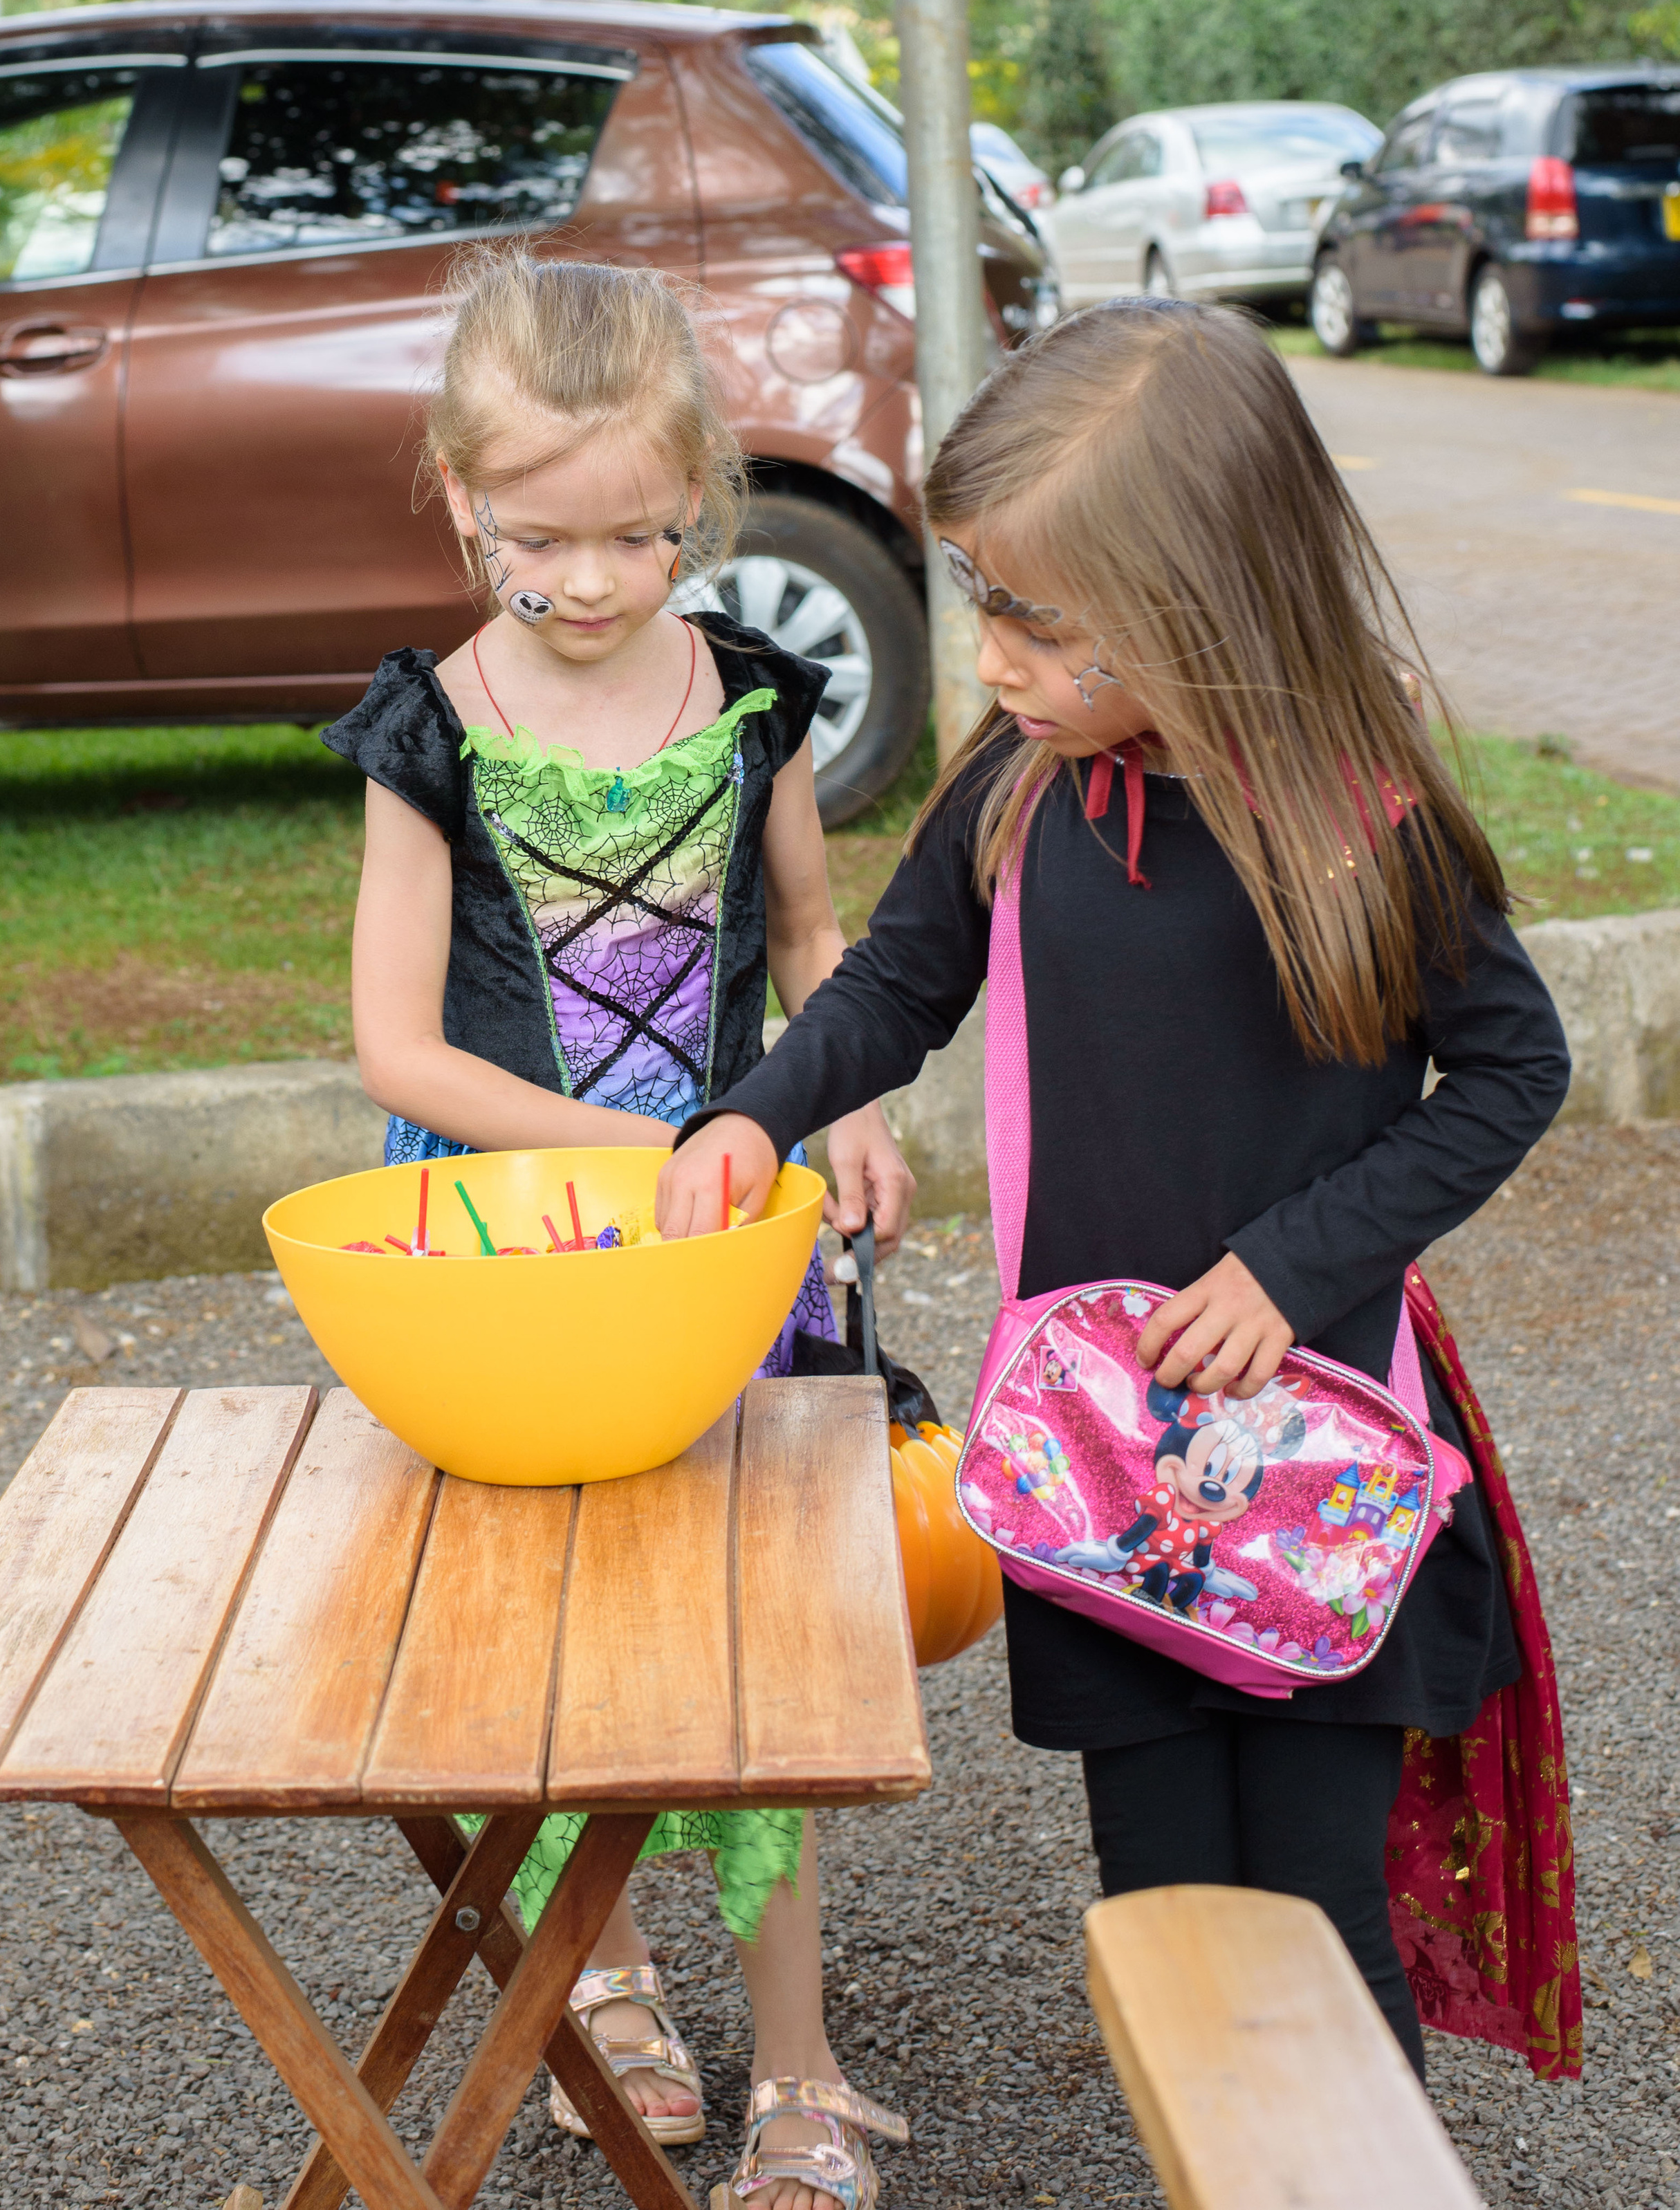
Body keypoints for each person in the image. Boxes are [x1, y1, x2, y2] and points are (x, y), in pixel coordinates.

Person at [658, 296, 1573, 2077]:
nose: (987, 651)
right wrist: (754, 1117)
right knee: (1159, 1933)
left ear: (1208, 600)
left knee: (1314, 1934)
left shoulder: (1358, 820)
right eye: (981, 594)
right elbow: (896, 987)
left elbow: (1513, 1073)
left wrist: (1292, 1265)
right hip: (1088, 1468)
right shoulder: (1019, 786)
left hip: (1312, 1453)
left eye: (1035, 616)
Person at [324, 248, 915, 2210]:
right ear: (458, 493)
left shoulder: (754, 697)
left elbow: (825, 940)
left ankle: (806, 2066)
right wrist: (625, 1135)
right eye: (541, 541)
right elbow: (393, 1036)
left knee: (762, 1636)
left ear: (703, 505)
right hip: (503, 1261)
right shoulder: (426, 735)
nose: (591, 583)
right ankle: (624, 1992)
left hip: (733, 1241)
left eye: (642, 538)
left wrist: (858, 1103)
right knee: (559, 1639)